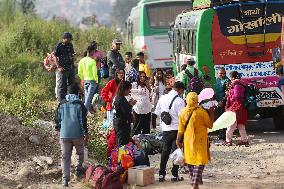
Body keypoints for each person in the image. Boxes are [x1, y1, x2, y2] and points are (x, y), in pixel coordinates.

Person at [176, 92, 214, 189]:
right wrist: (212, 112)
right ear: (197, 100)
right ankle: (195, 184)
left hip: (188, 141)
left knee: (190, 161)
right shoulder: (202, 112)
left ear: (187, 101)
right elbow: (210, 125)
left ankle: (194, 182)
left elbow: (181, 130)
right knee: (200, 162)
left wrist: (178, 140)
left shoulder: (183, 112)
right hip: (200, 141)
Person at [55, 83, 88, 187]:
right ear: (78, 93)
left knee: (65, 157)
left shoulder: (61, 103)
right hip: (77, 134)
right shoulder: (79, 104)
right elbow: (83, 120)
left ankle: (65, 180)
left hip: (64, 134)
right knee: (80, 153)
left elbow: (57, 119)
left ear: (68, 92)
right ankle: (78, 170)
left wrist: (60, 128)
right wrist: (85, 133)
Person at [154, 81, 186, 182]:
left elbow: (157, 112)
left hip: (166, 129)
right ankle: (174, 175)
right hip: (177, 129)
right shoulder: (180, 101)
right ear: (180, 90)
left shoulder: (163, 98)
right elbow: (182, 117)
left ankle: (161, 174)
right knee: (176, 152)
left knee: (165, 151)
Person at [224, 71, 249, 146]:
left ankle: (228, 141)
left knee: (231, 124)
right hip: (240, 107)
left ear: (232, 77)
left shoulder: (236, 85)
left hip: (236, 106)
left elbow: (237, 96)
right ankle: (244, 140)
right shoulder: (240, 83)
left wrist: (229, 95)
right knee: (240, 124)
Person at [113, 81, 137, 146]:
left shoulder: (118, 97)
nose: (129, 92)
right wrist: (131, 105)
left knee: (121, 142)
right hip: (122, 125)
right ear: (125, 89)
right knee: (122, 144)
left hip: (118, 124)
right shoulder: (121, 99)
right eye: (129, 90)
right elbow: (126, 112)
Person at [54, 32, 76, 101]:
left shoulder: (70, 45)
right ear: (65, 38)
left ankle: (70, 99)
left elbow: (72, 54)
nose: (70, 40)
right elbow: (54, 56)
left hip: (71, 68)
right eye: (69, 39)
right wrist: (58, 67)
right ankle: (61, 101)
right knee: (61, 86)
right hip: (63, 69)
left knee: (71, 85)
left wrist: (73, 62)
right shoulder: (59, 46)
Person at [78, 45, 98, 113]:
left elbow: (79, 72)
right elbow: (94, 73)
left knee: (87, 98)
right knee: (88, 99)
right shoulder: (92, 61)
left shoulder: (81, 61)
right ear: (92, 51)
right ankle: (82, 113)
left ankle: (88, 113)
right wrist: (96, 80)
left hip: (85, 80)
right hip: (92, 81)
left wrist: (83, 79)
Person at [131, 71, 152, 135]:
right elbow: (130, 93)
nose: (142, 78)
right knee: (137, 127)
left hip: (147, 110)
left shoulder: (147, 85)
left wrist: (148, 87)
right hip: (137, 109)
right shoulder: (134, 84)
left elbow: (151, 95)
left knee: (146, 129)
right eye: (141, 76)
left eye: (144, 76)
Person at [215, 67, 230, 141]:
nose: (222, 75)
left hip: (223, 103)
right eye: (220, 73)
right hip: (216, 102)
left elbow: (228, 93)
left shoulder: (227, 81)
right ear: (217, 73)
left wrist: (222, 101)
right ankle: (220, 135)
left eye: (223, 73)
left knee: (223, 119)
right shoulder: (216, 80)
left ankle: (223, 136)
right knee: (218, 118)